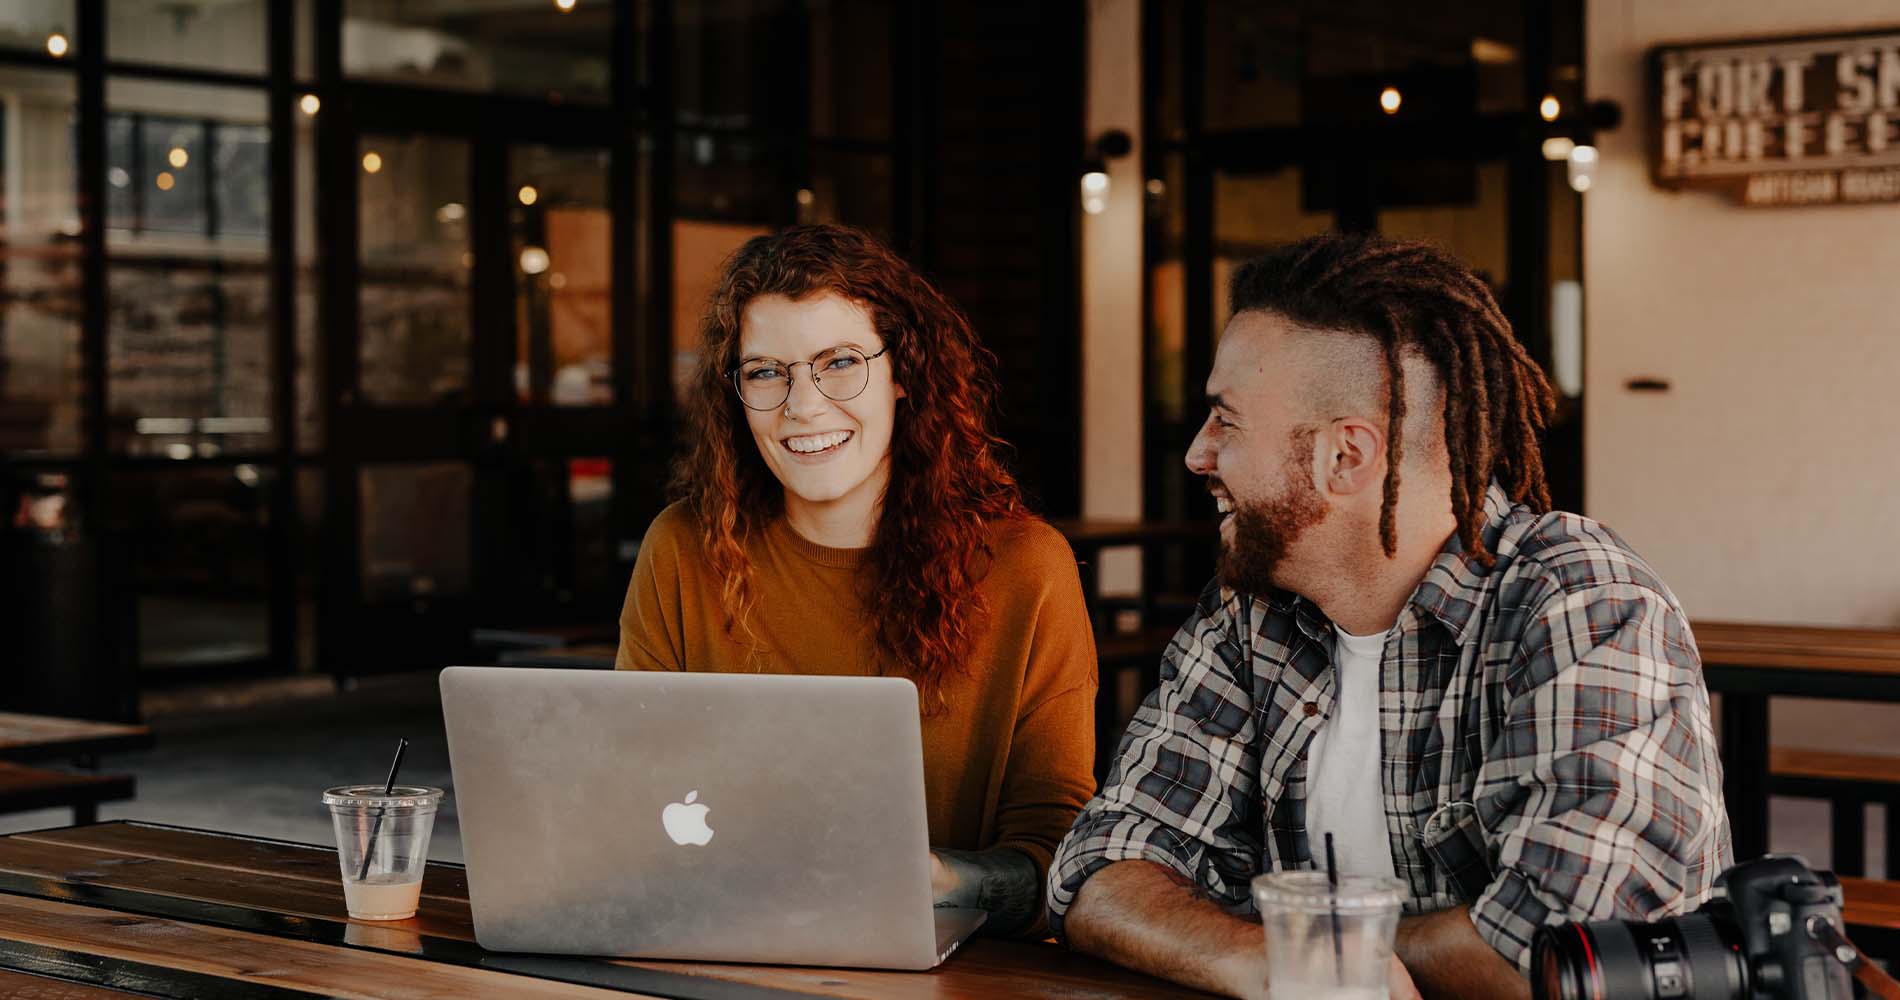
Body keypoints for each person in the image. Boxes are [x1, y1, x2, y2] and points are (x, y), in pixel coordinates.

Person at [1047, 233, 1731, 999]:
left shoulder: (1583, 603)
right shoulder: (1250, 612)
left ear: (1346, 458)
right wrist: (1264, 958)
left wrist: (1301, 942)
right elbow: (1100, 867)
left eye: (1226, 422)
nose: (1198, 456)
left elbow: (1564, 953)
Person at [616, 224, 1097, 937]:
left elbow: (1057, 852)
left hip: (949, 969)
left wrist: (933, 881)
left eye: (838, 362)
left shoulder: (1026, 567)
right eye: (765, 371)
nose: (801, 405)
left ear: (903, 373)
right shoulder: (682, 548)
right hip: (711, 940)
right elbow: (621, 794)